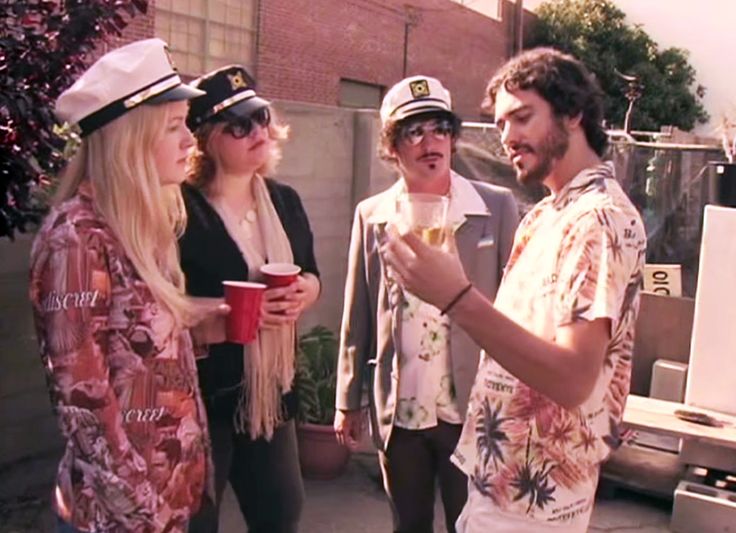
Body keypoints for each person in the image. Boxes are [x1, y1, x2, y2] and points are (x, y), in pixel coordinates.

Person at [382, 48, 647, 532]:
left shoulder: (598, 220)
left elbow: (572, 379)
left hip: (536, 502)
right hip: (496, 480)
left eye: (522, 118)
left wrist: (456, 298)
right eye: (500, 123)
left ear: (573, 114)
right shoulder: (547, 214)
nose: (507, 137)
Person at [29, 39, 221, 533]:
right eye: (174, 127)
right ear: (129, 139)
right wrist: (145, 512)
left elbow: (131, 356)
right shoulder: (76, 236)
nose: (190, 142)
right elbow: (83, 400)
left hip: (174, 502)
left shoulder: (137, 224)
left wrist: (196, 327)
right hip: (122, 519)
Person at [334, 75, 519, 533]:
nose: (429, 141)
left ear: (454, 138)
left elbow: (518, 307)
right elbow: (358, 312)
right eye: (414, 132)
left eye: (439, 128)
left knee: (471, 524)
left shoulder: (495, 207)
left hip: (473, 410)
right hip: (403, 408)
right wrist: (347, 398)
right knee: (408, 523)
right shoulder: (373, 214)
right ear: (392, 146)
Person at [180, 65, 321, 533]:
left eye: (260, 117)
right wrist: (228, 312)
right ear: (206, 140)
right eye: (239, 125)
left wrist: (305, 293)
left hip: (270, 396)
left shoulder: (285, 201)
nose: (258, 131)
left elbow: (312, 273)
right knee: (197, 521)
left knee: (281, 513)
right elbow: (162, 301)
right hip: (204, 398)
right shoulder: (179, 210)